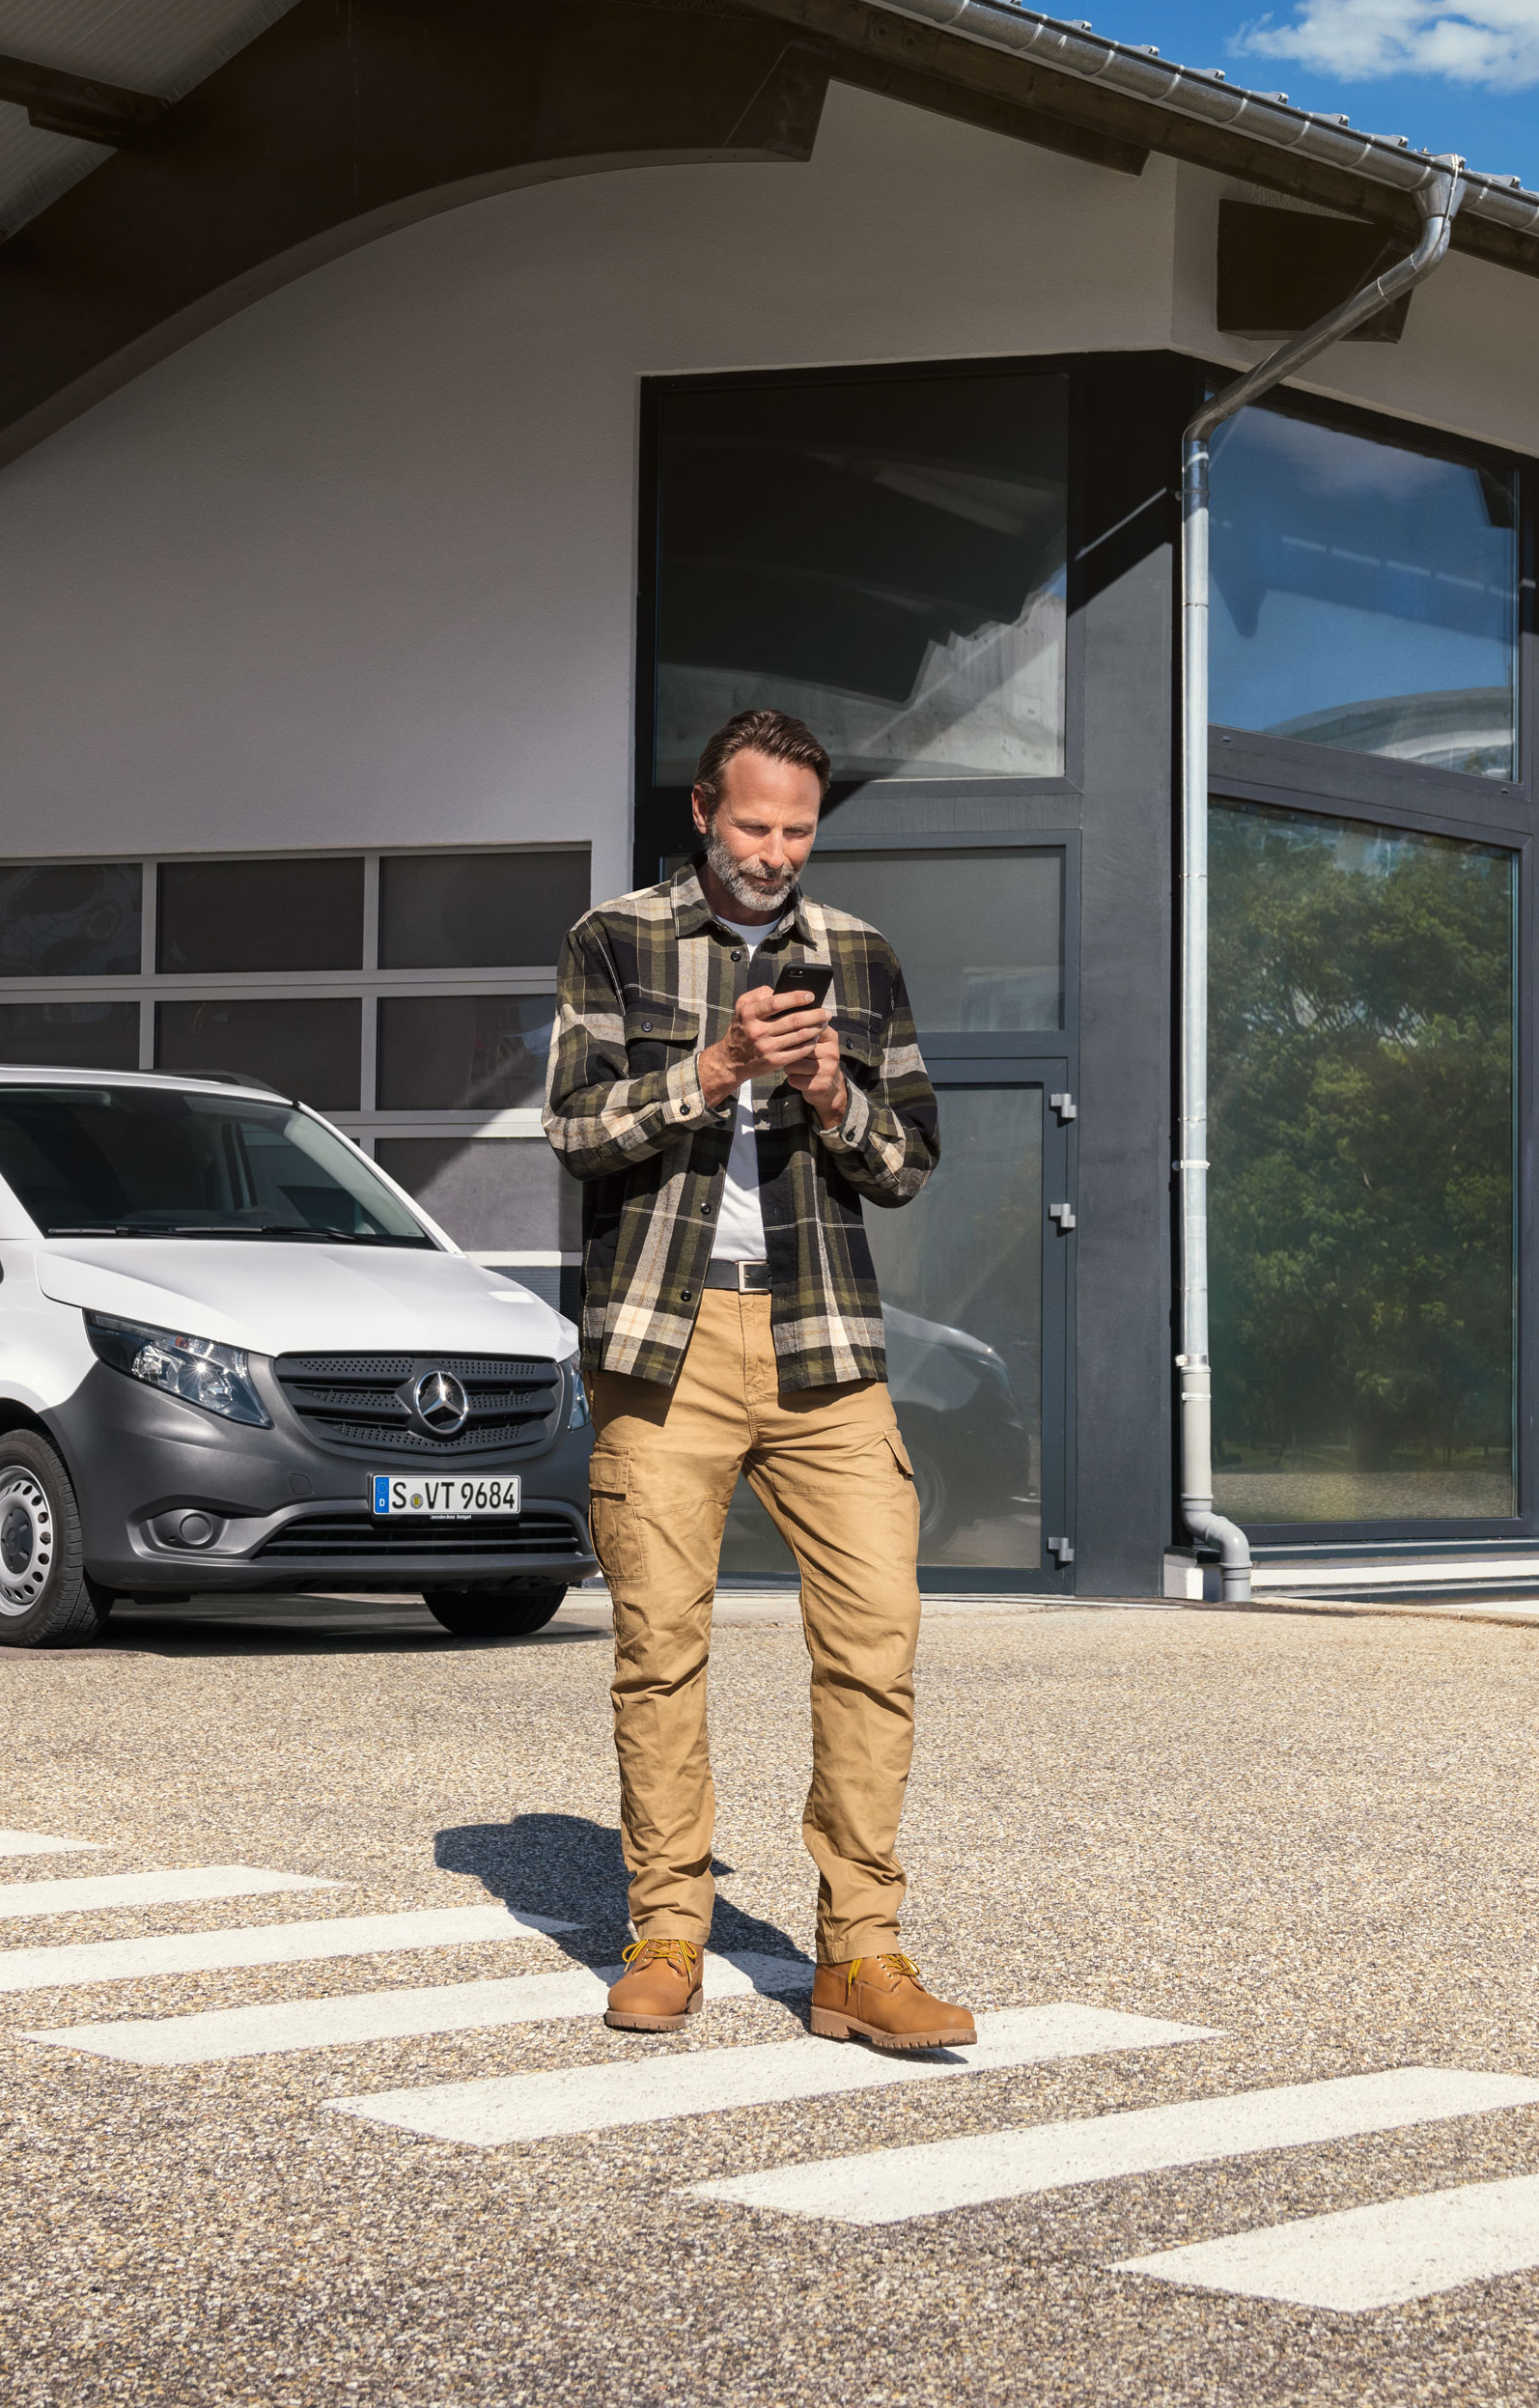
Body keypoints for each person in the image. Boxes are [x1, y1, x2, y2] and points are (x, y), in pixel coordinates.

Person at [543, 706, 968, 2053]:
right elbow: (574, 1129)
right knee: (661, 1649)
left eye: (798, 828)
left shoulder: (859, 957)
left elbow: (906, 1160)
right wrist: (715, 1069)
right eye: (754, 824)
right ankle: (668, 1929)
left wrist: (838, 1096)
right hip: (663, 1342)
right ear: (702, 812)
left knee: (875, 1639)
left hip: (820, 1340)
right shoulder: (616, 940)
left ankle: (861, 1955)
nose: (776, 851)